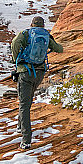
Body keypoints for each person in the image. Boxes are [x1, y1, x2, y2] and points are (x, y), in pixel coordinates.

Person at [11, 16, 63, 150]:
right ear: (43, 25)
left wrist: (16, 60)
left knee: (24, 104)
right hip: (39, 73)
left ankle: (26, 140)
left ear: (32, 24)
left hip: (25, 72)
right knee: (27, 101)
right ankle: (20, 126)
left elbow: (14, 43)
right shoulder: (46, 35)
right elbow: (58, 48)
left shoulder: (26, 34)